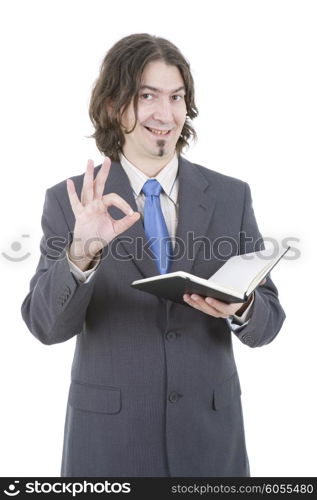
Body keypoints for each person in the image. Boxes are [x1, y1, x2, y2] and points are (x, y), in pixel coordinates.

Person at [21, 33, 286, 477]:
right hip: (109, 446)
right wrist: (82, 252)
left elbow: (269, 324)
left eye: (176, 97)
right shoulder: (70, 201)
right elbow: (46, 327)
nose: (165, 114)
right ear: (112, 105)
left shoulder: (230, 196)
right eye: (147, 96)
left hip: (210, 443)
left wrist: (243, 306)